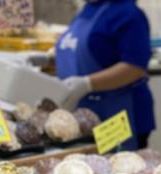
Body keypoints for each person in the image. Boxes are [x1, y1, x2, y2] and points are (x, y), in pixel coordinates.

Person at [55, 0, 155, 150]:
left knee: (116, 161)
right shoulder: (88, 10)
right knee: (86, 162)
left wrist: (87, 83)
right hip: (84, 112)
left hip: (118, 114)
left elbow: (134, 67)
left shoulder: (129, 14)